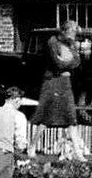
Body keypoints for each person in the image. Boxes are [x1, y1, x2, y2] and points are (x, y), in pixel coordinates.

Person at [29, 20, 88, 159]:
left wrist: (68, 61)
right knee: (47, 117)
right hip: (52, 82)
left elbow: (77, 61)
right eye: (73, 33)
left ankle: (78, 153)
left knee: (70, 117)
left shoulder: (70, 44)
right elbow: (58, 63)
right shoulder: (52, 42)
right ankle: (32, 147)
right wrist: (69, 62)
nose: (74, 37)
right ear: (65, 31)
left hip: (65, 82)